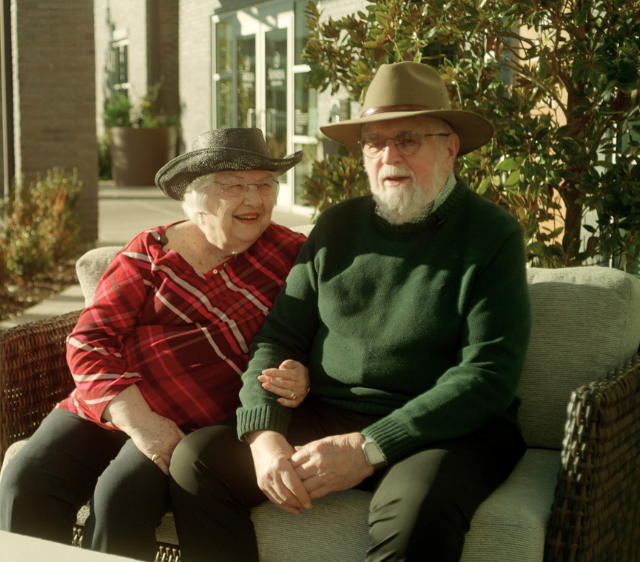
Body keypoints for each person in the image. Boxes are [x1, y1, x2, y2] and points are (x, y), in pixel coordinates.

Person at [168, 62, 532, 562]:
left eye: (408, 139)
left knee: (415, 513)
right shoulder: (336, 227)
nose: (388, 156)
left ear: (449, 146)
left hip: (445, 431)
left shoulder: (493, 235)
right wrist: (265, 433)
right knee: (197, 461)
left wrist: (367, 448)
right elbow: (278, 340)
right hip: (327, 414)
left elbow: (488, 374)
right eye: (374, 142)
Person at [0, 128, 310, 560]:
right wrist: (141, 423)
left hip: (198, 423)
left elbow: (317, 332)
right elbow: (90, 341)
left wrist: (303, 370)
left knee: (118, 498)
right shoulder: (149, 252)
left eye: (264, 185)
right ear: (198, 196)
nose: (254, 200)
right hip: (114, 404)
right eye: (235, 186)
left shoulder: (293, 255)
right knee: (26, 480)